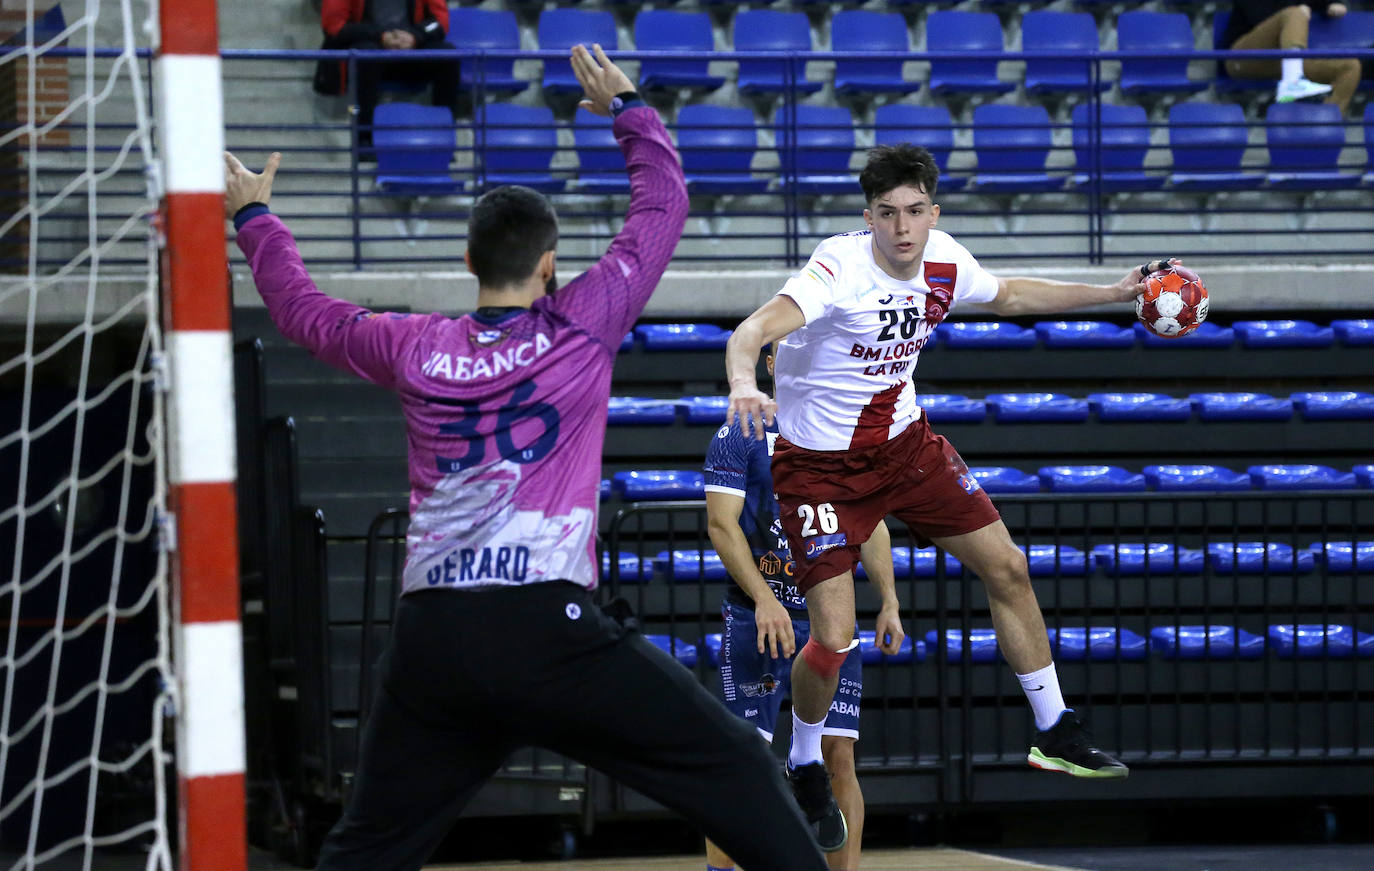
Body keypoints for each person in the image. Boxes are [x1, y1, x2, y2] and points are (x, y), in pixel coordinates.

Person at [227, 45, 829, 871]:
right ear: (549, 266)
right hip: (547, 632)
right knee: (739, 769)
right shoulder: (581, 321)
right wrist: (628, 108)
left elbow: (304, 313)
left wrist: (256, 218)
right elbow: (662, 207)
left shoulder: (413, 345)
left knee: (368, 847)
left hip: (433, 637)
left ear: (470, 263)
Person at [725, 143, 1138, 839]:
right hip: (820, 468)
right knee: (831, 639)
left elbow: (1009, 294)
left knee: (1007, 564)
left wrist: (1116, 292)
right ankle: (801, 762)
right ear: (869, 217)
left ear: (933, 211)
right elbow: (754, 329)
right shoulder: (836, 268)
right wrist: (743, 381)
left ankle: (1055, 728)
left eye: (915, 211)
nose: (903, 228)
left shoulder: (945, 259)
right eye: (887, 214)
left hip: (906, 448)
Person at [702, 348, 905, 865]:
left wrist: (889, 600)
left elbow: (872, 521)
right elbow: (722, 525)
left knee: (840, 756)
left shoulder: (846, 430)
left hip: (828, 617)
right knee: (742, 759)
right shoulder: (741, 433)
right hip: (760, 615)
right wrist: (765, 599)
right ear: (772, 365)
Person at [316, 0, 461, 147]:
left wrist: (415, 36)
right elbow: (334, 25)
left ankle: (444, 139)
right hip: (370, 50)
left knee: (448, 55)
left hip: (412, 50)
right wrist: (381, 36)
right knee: (365, 55)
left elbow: (440, 22)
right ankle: (364, 140)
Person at [1221, 2, 1359, 113]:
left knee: (1350, 67)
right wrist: (1299, 11)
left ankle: (1322, 128)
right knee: (1294, 13)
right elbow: (1261, 16)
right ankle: (1293, 80)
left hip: (1283, 61)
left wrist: (1328, 6)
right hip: (1241, 58)